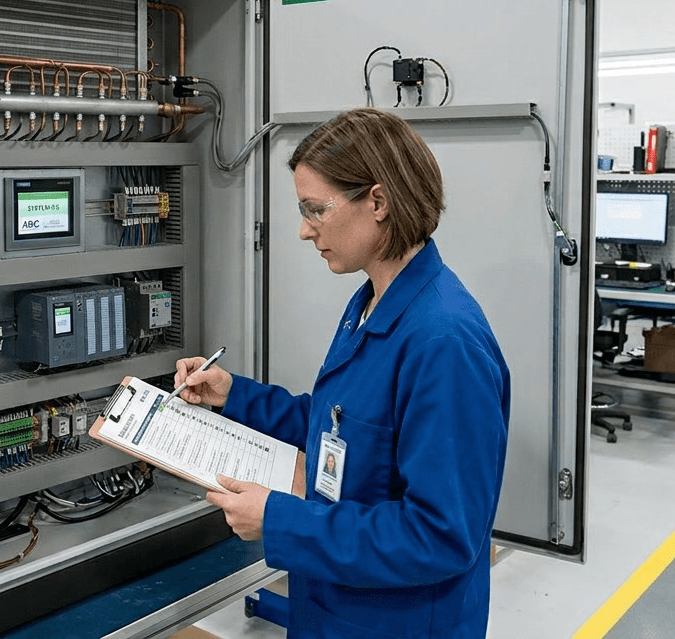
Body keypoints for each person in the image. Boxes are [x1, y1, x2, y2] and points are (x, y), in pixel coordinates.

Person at [175, 108, 510, 638]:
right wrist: (232, 394)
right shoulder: (373, 301)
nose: (304, 230)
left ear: (377, 201)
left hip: (395, 623)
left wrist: (281, 520)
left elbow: (441, 536)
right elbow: (341, 424)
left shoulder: (443, 343)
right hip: (338, 604)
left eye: (316, 209)